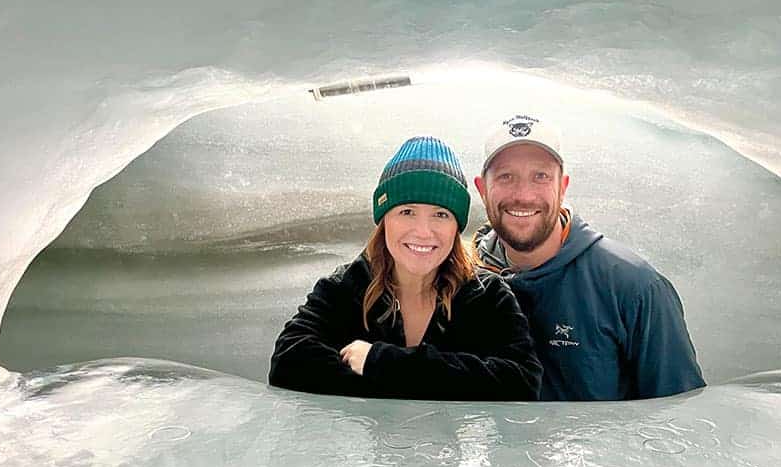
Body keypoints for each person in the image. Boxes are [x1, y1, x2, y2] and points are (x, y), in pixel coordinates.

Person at [269, 136, 542, 401]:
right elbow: (288, 360)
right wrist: (441, 383)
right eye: (407, 211)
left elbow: (522, 381)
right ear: (384, 219)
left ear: (456, 226)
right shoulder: (348, 285)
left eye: (440, 214)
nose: (423, 232)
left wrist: (381, 362)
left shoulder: (485, 294)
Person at [472, 115, 705, 401]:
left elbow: (681, 416)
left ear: (563, 186)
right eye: (506, 176)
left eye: (541, 176)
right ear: (483, 189)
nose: (524, 194)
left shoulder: (633, 288)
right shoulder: (463, 286)